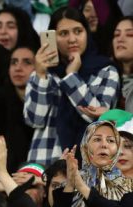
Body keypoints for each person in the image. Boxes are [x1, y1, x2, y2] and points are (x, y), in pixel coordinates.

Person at [24, 7, 119, 166]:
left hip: (87, 167)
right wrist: (40, 74)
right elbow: (34, 119)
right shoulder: (43, 73)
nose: (72, 39)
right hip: (44, 165)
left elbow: (96, 117)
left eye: (78, 31)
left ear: (87, 33)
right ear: (52, 37)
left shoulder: (106, 71)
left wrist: (71, 76)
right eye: (63, 33)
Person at [48, 121, 133, 207]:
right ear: (86, 146)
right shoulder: (68, 183)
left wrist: (82, 187)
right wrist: (71, 183)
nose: (104, 145)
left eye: (111, 141)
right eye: (97, 139)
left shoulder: (129, 187)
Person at [113, 17, 133, 113]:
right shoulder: (107, 75)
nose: (120, 39)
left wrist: (109, 113)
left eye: (130, 34)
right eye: (116, 34)